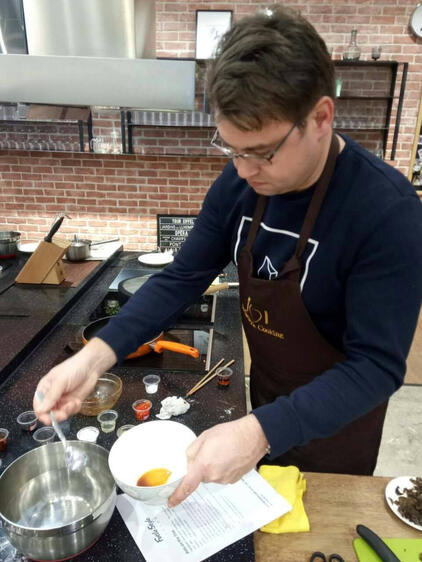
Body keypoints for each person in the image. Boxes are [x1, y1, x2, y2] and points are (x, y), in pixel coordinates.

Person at [34, 5, 422, 508]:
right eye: (232, 149)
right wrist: (96, 356)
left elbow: (376, 366)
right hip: (263, 399)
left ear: (321, 117)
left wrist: (261, 432)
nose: (242, 170)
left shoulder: (386, 212)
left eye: (261, 151)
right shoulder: (239, 184)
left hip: (336, 427)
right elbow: (184, 277)